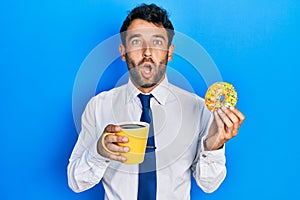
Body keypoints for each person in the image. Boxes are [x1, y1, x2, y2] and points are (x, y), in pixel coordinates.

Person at [67, 3, 245, 200]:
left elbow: (209, 185)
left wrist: (214, 146)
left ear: (169, 52)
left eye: (157, 43)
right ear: (122, 51)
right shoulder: (98, 107)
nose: (147, 53)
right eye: (136, 42)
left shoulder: (198, 108)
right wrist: (99, 152)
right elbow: (76, 182)